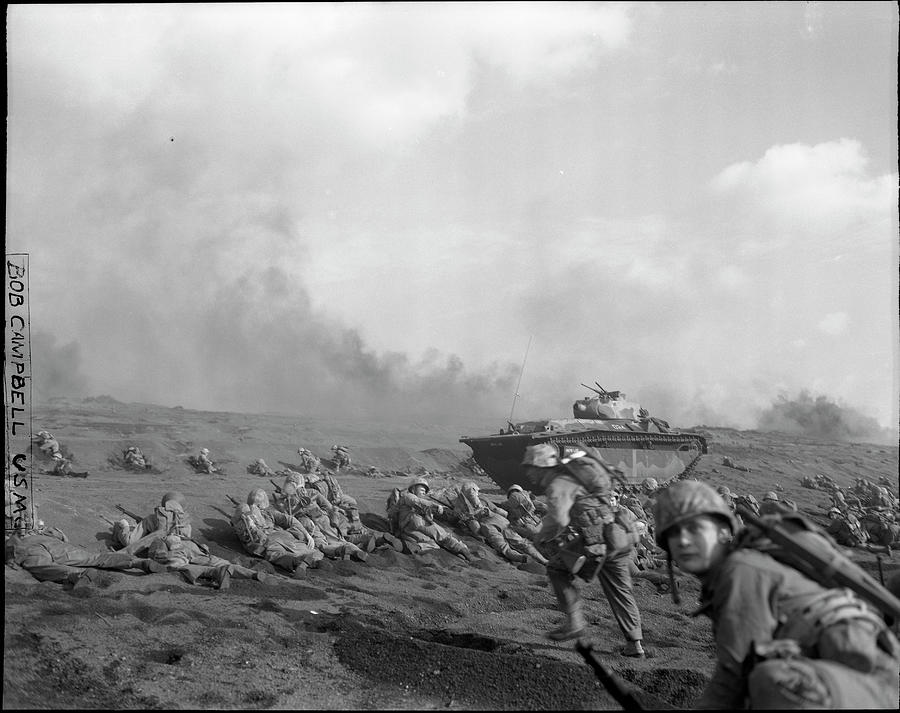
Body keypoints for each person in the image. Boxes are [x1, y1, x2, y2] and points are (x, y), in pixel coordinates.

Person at [653, 480, 899, 709]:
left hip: (876, 688)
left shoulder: (741, 570)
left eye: (694, 528)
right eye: (674, 533)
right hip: (849, 683)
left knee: (772, 680)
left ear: (721, 530)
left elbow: (733, 675)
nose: (683, 541)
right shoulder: (733, 571)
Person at [524, 443, 645, 656]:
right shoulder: (579, 477)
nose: (528, 472)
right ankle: (635, 644)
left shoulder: (558, 485)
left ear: (542, 466)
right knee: (620, 590)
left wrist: (541, 536)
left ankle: (574, 622)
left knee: (556, 570)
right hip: (618, 534)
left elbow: (559, 519)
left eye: (531, 467)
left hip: (596, 541)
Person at [6, 521, 165, 587]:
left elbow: (9, 552)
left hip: (24, 546)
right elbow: (62, 537)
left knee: (44, 567)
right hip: (52, 542)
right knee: (95, 558)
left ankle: (78, 575)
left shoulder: (14, 535)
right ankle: (136, 562)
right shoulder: (43, 528)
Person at [231, 488, 323, 575]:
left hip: (267, 541)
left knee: (279, 555)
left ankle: (298, 562)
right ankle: (317, 556)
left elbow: (248, 536)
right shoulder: (268, 513)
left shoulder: (244, 517)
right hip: (282, 536)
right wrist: (307, 535)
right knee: (307, 550)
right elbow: (290, 519)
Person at [450, 481, 545, 565]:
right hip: (498, 519)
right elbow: (497, 510)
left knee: (502, 546)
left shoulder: (459, 507)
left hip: (486, 525)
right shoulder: (483, 500)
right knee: (521, 542)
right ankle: (543, 560)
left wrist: (475, 531)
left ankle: (518, 556)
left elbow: (466, 523)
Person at [390, 478, 475, 561]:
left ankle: (413, 547)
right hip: (415, 522)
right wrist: (436, 505)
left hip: (407, 529)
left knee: (432, 544)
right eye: (422, 490)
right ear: (413, 489)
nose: (424, 493)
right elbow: (417, 502)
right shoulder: (408, 496)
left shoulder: (414, 500)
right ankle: (463, 550)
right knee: (442, 535)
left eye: (425, 491)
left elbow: (425, 509)